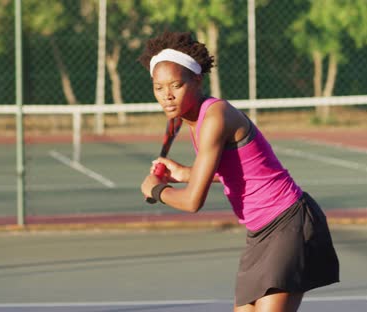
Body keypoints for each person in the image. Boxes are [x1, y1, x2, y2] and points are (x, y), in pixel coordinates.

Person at [139, 31, 340, 312]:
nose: (167, 96)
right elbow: (245, 169)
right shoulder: (195, 120)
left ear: (197, 80)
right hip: (258, 232)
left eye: (176, 85)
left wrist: (156, 189)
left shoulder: (214, 118)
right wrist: (187, 173)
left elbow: (193, 202)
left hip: (288, 223)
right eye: (159, 88)